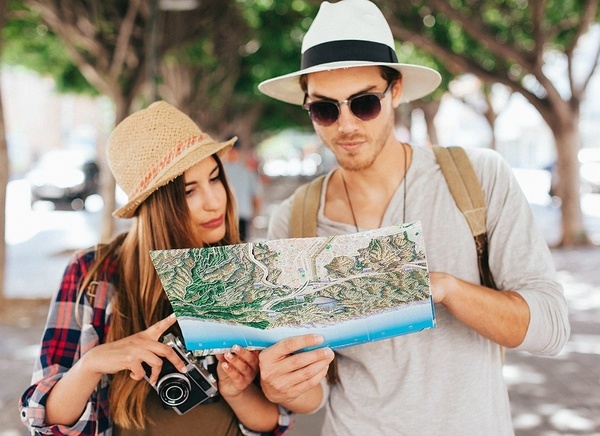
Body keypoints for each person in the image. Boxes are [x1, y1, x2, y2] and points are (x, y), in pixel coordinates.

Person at [255, 0, 570, 434]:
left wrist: (445, 287)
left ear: (395, 90)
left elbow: (551, 327)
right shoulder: (295, 220)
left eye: (364, 103)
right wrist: (280, 385)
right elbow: (316, 394)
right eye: (324, 109)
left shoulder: (477, 178)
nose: (345, 125)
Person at [19, 101, 290, 436]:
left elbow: (272, 422)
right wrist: (93, 363)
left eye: (215, 178)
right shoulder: (94, 274)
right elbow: (44, 421)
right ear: (156, 206)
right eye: (189, 191)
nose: (214, 200)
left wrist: (237, 391)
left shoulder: (243, 271)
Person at [221, 140, 263, 242]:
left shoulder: (218, 171)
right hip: (242, 216)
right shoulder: (247, 172)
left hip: (223, 217)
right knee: (241, 250)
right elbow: (256, 197)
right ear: (238, 151)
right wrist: (255, 215)